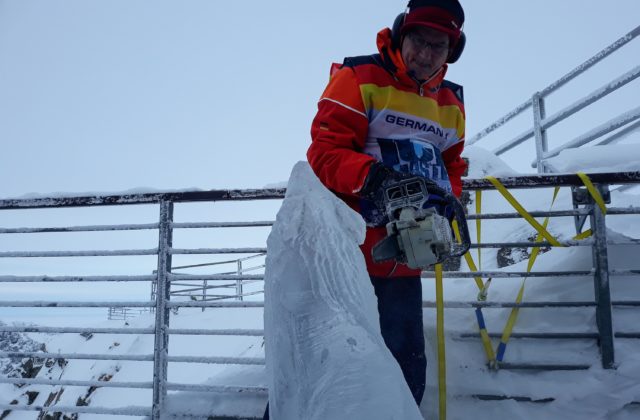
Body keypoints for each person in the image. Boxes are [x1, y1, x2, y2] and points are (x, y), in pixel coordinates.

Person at [264, 0, 467, 417]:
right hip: (346, 260)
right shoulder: (360, 77)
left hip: (406, 261)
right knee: (323, 369)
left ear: (452, 52)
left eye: (438, 46)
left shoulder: (451, 102)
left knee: (407, 372)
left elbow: (452, 164)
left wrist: (451, 200)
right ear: (399, 34)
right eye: (418, 41)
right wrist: (373, 177)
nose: (426, 54)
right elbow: (325, 149)